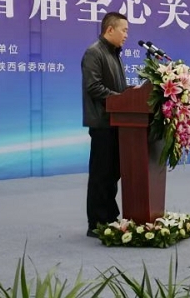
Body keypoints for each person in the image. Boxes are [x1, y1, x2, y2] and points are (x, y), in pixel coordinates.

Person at [81, 12, 129, 237]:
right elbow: (94, 87)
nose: (126, 35)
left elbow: (119, 88)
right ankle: (96, 223)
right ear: (110, 29)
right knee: (101, 174)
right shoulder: (94, 52)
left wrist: (128, 97)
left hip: (117, 121)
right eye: (124, 30)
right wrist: (122, 100)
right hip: (102, 122)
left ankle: (109, 216)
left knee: (112, 174)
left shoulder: (115, 54)